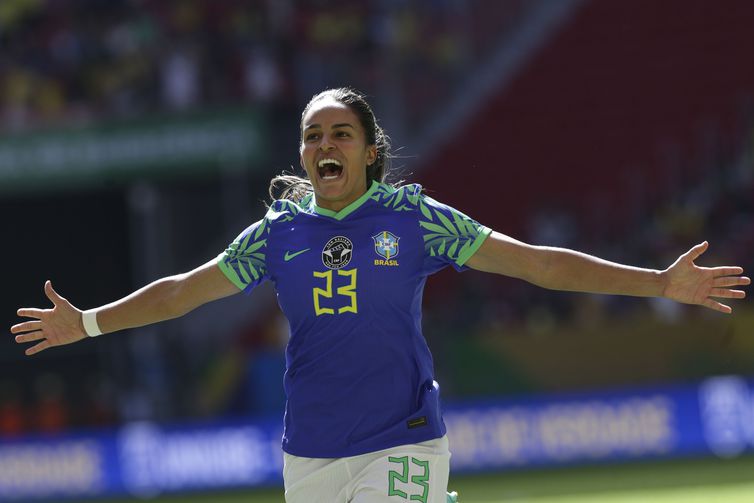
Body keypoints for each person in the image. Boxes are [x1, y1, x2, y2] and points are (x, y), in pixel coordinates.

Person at [11, 87, 749, 503]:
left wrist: (655, 282)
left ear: (369, 150)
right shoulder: (275, 234)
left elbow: (538, 266)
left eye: (339, 131)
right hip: (310, 451)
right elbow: (181, 294)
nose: (323, 144)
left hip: (403, 436)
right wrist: (93, 322)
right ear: (302, 153)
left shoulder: (416, 218)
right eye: (311, 135)